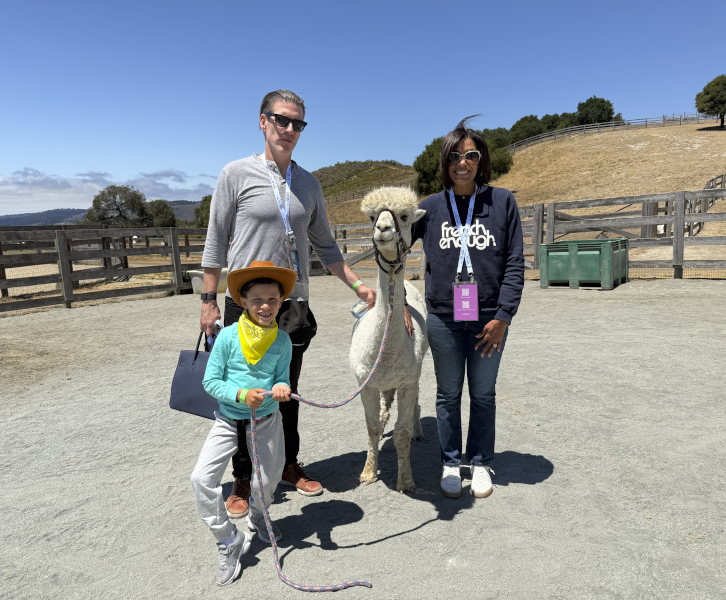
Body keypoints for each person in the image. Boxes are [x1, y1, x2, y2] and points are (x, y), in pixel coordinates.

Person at [199, 89, 376, 518]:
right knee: (243, 395)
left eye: (298, 123)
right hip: (243, 305)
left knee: (285, 391)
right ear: (263, 121)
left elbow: (327, 247)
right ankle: (243, 476)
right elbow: (215, 243)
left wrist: (358, 287)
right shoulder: (235, 174)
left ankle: (286, 464)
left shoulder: (309, 184)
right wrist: (207, 301)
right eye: (281, 120)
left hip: (291, 306)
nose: (289, 130)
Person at [410, 116, 525, 499]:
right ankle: (449, 461)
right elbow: (389, 245)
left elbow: (514, 263)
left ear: (481, 160)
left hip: (488, 319)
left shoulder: (502, 201)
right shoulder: (428, 208)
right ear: (444, 162)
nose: (463, 163)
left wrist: (503, 317)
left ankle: (478, 462)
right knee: (447, 395)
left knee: (483, 394)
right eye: (455, 156)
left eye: (471, 155)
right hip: (443, 318)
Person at [190, 261, 296, 586]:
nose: (265, 306)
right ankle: (227, 539)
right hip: (227, 420)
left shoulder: (283, 342)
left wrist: (282, 389)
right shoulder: (227, 337)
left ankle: (259, 516)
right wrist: (240, 394)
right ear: (244, 302)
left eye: (273, 300)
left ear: (281, 302)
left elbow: (283, 379)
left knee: (267, 481)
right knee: (201, 479)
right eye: (257, 299)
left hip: (266, 420)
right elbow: (211, 381)